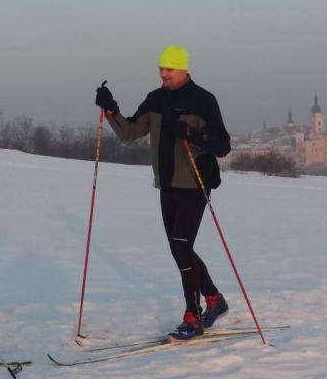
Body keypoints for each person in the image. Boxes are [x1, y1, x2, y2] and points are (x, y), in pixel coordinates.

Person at [95, 45, 232, 340]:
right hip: (167, 183)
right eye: (161, 68)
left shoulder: (203, 100)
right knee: (179, 248)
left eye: (169, 69)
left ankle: (192, 317)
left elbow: (222, 145)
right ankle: (214, 299)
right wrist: (111, 110)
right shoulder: (155, 99)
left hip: (195, 182)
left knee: (181, 247)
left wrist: (192, 134)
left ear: (183, 69)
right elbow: (129, 132)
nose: (163, 74)